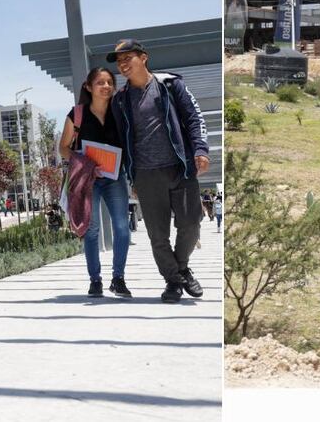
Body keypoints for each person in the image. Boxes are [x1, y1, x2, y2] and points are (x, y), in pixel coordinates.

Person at [109, 39, 210, 303]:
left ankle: (182, 267)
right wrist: (129, 174)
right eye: (119, 62)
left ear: (143, 58)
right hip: (145, 174)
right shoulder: (119, 100)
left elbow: (193, 117)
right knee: (158, 235)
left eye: (127, 58)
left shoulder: (169, 84)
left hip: (180, 167)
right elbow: (120, 138)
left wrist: (200, 149)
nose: (122, 65)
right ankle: (174, 281)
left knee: (190, 224)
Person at [58, 67, 132, 299]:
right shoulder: (77, 114)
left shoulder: (119, 112)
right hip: (87, 179)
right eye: (100, 82)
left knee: (122, 227)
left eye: (110, 82)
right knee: (92, 230)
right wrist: (86, 163)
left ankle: (118, 278)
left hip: (115, 178)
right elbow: (63, 148)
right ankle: (95, 281)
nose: (106, 86)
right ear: (89, 87)